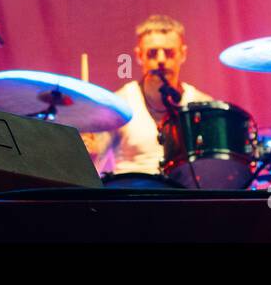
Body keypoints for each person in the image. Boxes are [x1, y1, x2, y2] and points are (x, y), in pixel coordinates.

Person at [83, 15, 215, 176]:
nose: (161, 60)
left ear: (183, 54)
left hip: (183, 198)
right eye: (152, 53)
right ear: (139, 56)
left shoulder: (203, 105)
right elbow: (91, 165)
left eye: (169, 53)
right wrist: (89, 154)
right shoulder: (120, 105)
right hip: (134, 197)